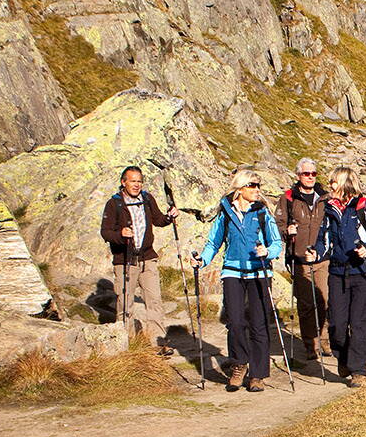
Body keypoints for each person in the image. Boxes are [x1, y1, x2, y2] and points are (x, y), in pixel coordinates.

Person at [194, 169, 284, 392]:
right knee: (234, 321)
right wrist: (202, 260)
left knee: (259, 324)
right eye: (252, 186)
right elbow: (214, 243)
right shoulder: (225, 212)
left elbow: (276, 243)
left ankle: (257, 375)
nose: (257, 190)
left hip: (260, 272)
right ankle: (239, 364)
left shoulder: (263, 212)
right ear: (240, 188)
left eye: (258, 186)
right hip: (232, 271)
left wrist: (268, 252)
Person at [315, 164, 366, 387]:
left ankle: (359, 371)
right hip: (337, 272)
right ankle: (343, 358)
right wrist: (314, 252)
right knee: (336, 324)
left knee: (359, 323)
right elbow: (322, 239)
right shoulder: (329, 209)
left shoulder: (365, 207)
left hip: (362, 271)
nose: (330, 185)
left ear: (345, 183)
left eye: (333, 181)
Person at [100, 165, 178, 355]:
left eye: (139, 181)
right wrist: (121, 234)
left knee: (154, 300)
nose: (136, 185)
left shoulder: (147, 199)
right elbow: (106, 232)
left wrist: (169, 217)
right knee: (125, 302)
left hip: (148, 258)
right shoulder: (114, 203)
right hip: (125, 259)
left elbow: (158, 220)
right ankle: (125, 345)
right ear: (123, 182)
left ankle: (158, 342)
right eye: (132, 181)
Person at [274, 157, 329, 366]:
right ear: (298, 176)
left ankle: (325, 339)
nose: (310, 177)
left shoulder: (325, 197)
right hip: (299, 258)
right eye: (306, 174)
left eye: (313, 174)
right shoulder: (288, 198)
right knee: (306, 304)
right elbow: (277, 223)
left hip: (323, 258)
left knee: (325, 299)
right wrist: (285, 231)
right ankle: (310, 344)